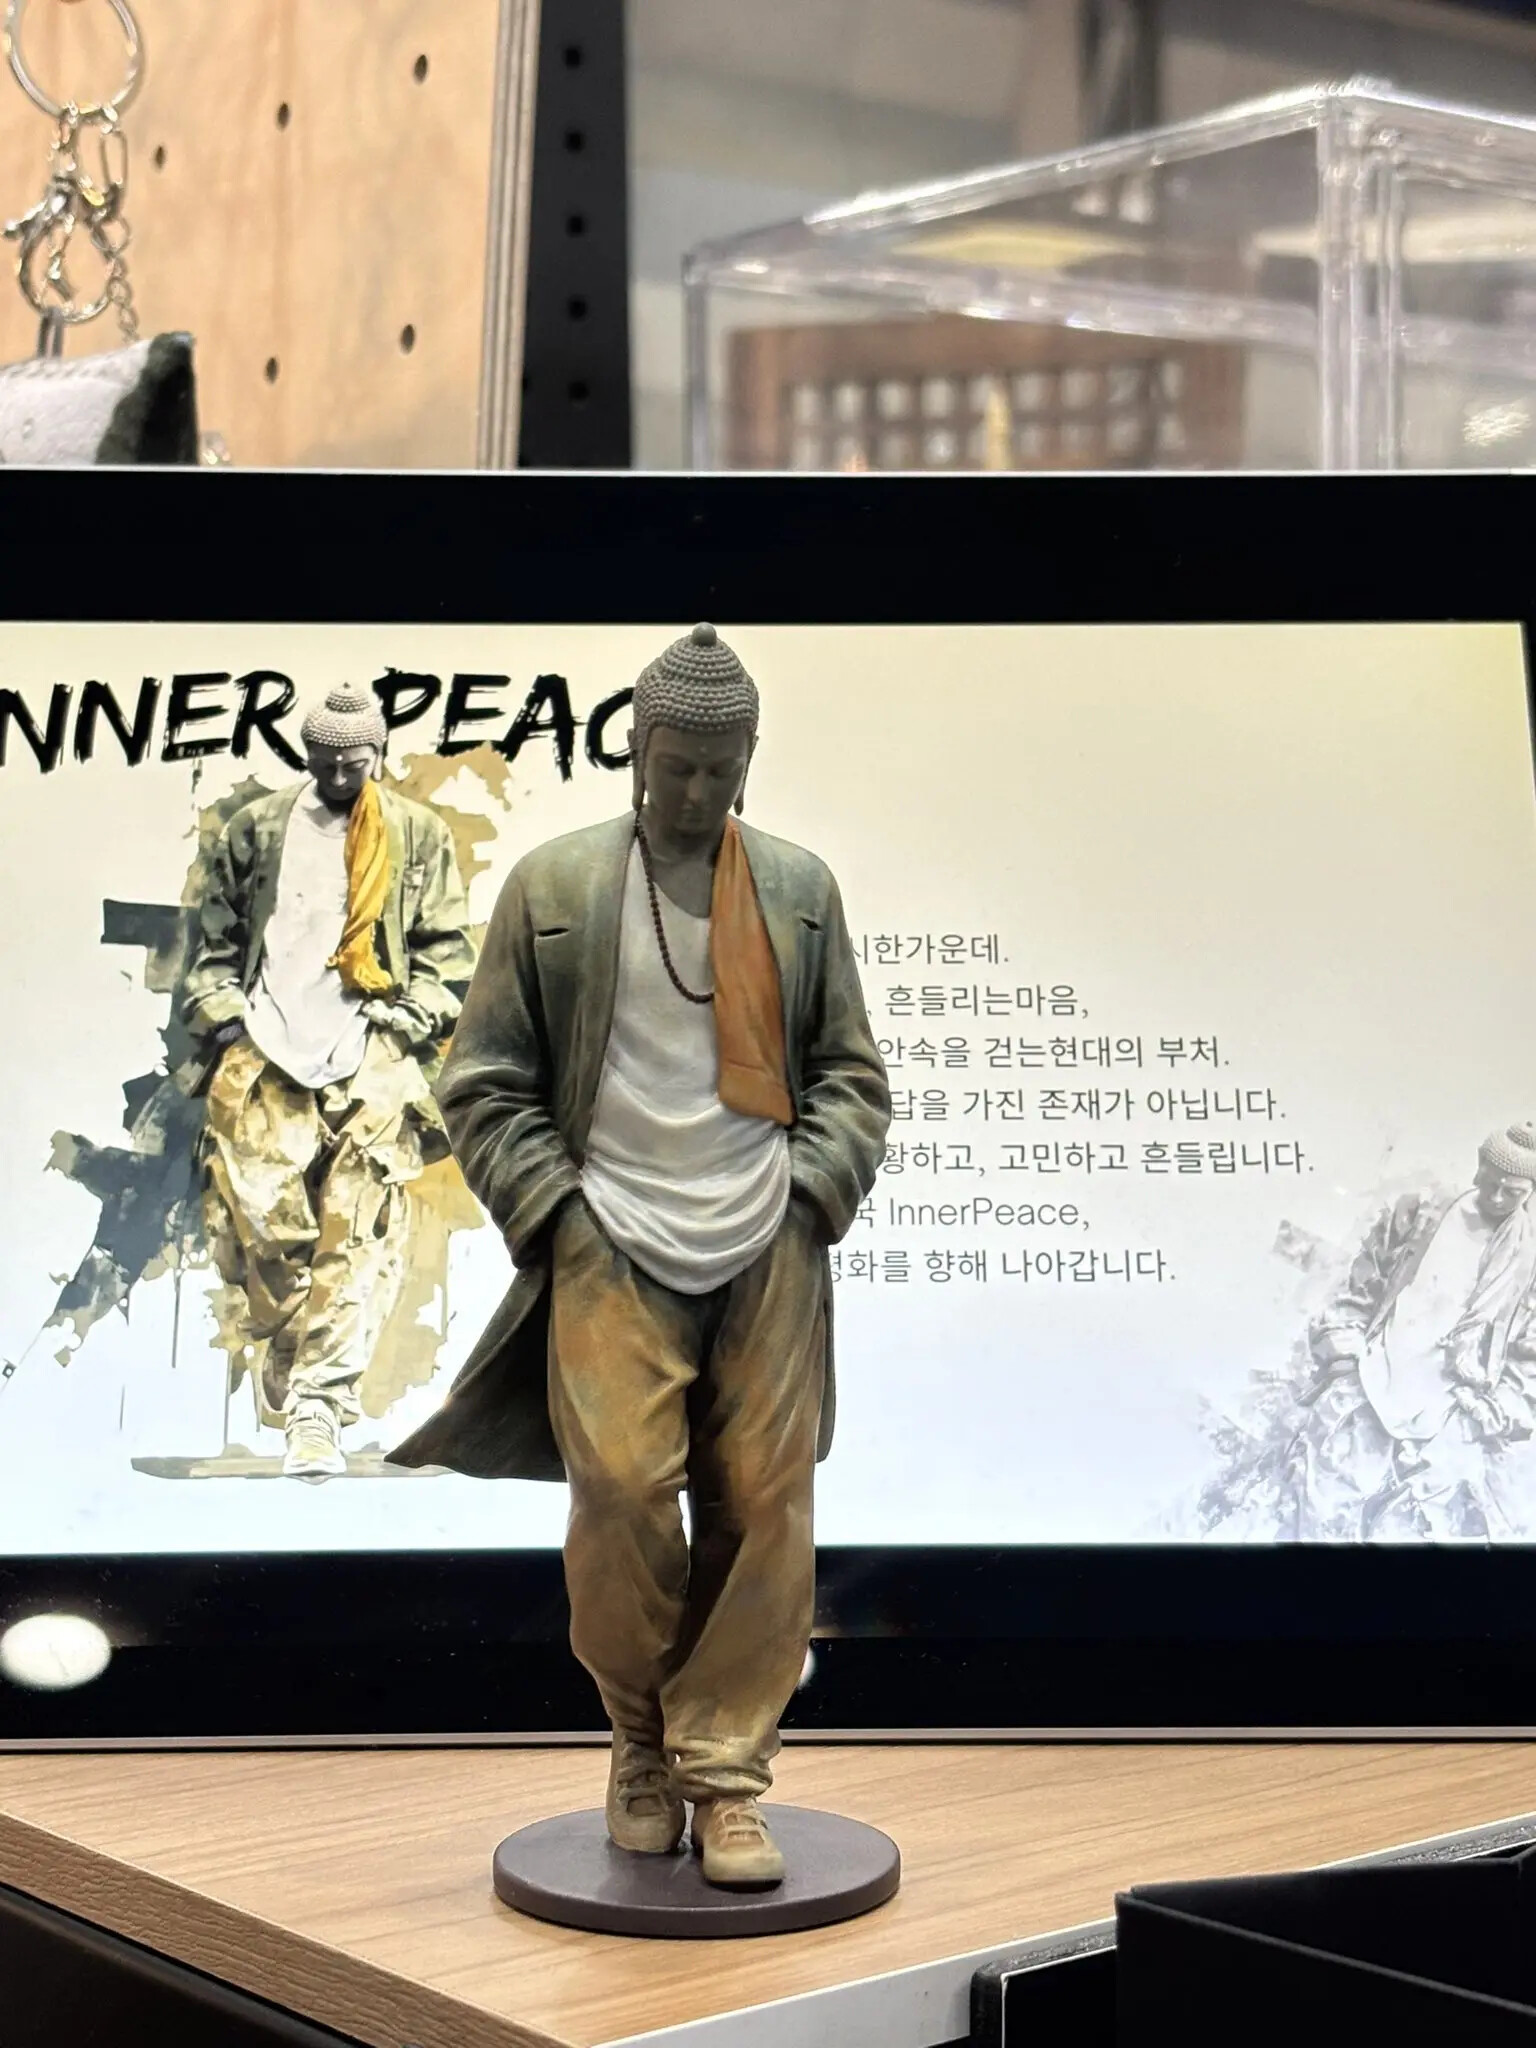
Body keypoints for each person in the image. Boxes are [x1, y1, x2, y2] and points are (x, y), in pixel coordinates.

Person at [390, 625, 891, 1888]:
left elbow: (850, 1073)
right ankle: (640, 1735)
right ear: (634, 750)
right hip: (608, 1231)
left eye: (719, 770)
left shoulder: (798, 887)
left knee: (765, 1505)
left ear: (749, 761)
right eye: (675, 766)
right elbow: (484, 1078)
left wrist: (810, 1191)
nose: (694, 791)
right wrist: (557, 1208)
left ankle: (725, 1776)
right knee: (617, 1491)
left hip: (768, 1234)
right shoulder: (556, 885)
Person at [180, 685, 476, 1481]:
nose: (342, 775)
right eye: (327, 761)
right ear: (307, 754)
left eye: (357, 762)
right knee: (264, 1233)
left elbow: (448, 953)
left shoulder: (415, 834)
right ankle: (293, 1366)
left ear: (378, 754)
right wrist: (230, 1024)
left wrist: (404, 1022)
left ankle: (319, 1409)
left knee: (361, 1233)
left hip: (372, 1055)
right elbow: (213, 947)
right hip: (267, 1050)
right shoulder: (257, 829)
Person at [1209, 1123, 1536, 1541]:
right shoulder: (1422, 1215)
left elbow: (1529, 1363)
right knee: (1314, 1517)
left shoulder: (1529, 1265)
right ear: (1479, 1166)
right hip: (1369, 1388)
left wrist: (1480, 1420)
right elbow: (1359, 1287)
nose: (1498, 1197)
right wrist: (1345, 1363)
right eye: (1492, 1184)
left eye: (1513, 1192)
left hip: (1446, 1426)